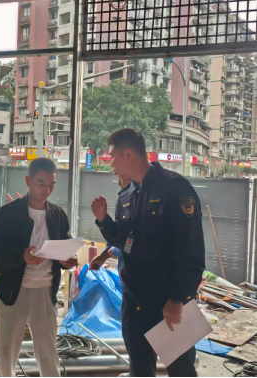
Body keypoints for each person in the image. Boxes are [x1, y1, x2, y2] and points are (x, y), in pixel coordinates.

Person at [91, 129, 205, 378]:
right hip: (134, 304)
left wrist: (177, 298)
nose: (110, 163)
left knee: (182, 371)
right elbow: (125, 242)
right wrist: (104, 220)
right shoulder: (126, 195)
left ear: (128, 154)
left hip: (168, 304)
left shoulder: (175, 188)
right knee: (140, 370)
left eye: (112, 156)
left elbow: (191, 250)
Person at [0, 158, 78, 378]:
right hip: (13, 292)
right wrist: (22, 256)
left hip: (45, 291)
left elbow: (63, 243)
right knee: (6, 354)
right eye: (41, 183)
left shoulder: (57, 215)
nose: (47, 189)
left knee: (48, 354)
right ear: (28, 181)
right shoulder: (5, 215)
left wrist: (67, 259)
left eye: (52, 184)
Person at [90, 175, 132, 273]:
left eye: (120, 177)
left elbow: (133, 245)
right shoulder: (123, 201)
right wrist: (103, 256)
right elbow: (118, 234)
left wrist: (114, 251)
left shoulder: (141, 205)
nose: (119, 183)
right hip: (125, 275)